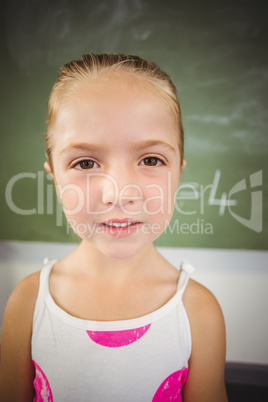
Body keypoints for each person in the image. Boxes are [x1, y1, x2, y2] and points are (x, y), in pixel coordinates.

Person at [0, 53, 227, 401]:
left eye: (151, 159)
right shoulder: (27, 304)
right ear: (55, 178)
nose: (119, 193)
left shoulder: (198, 312)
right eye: (85, 162)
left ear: (178, 172)